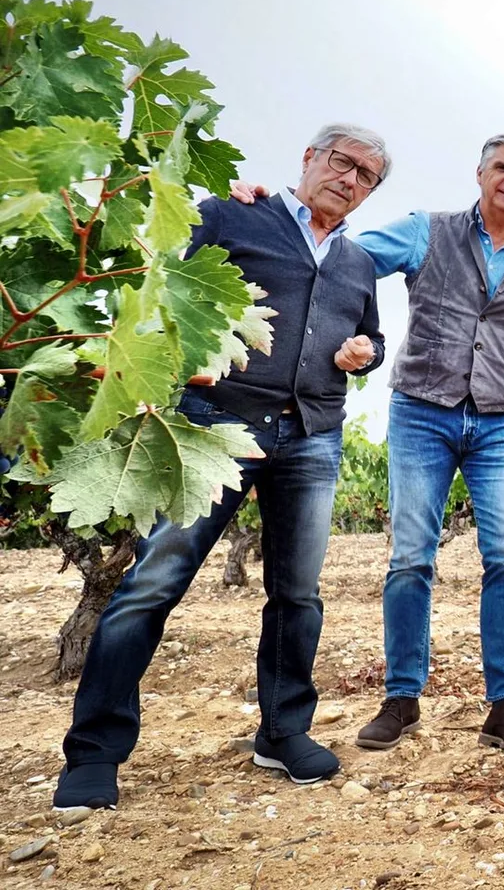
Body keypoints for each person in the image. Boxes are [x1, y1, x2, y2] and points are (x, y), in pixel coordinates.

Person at [53, 124, 390, 811]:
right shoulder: (233, 213)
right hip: (216, 426)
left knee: (298, 596)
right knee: (154, 584)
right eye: (341, 161)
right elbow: (162, 288)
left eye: (367, 175)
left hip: (313, 436)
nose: (350, 179)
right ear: (309, 157)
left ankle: (282, 731)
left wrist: (365, 351)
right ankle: (93, 752)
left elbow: (373, 336)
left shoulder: (357, 263)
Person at [345, 134, 504, 753]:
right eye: (502, 167)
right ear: (479, 173)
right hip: (422, 412)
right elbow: (349, 258)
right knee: (412, 555)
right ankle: (401, 698)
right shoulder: (427, 231)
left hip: (503, 424)